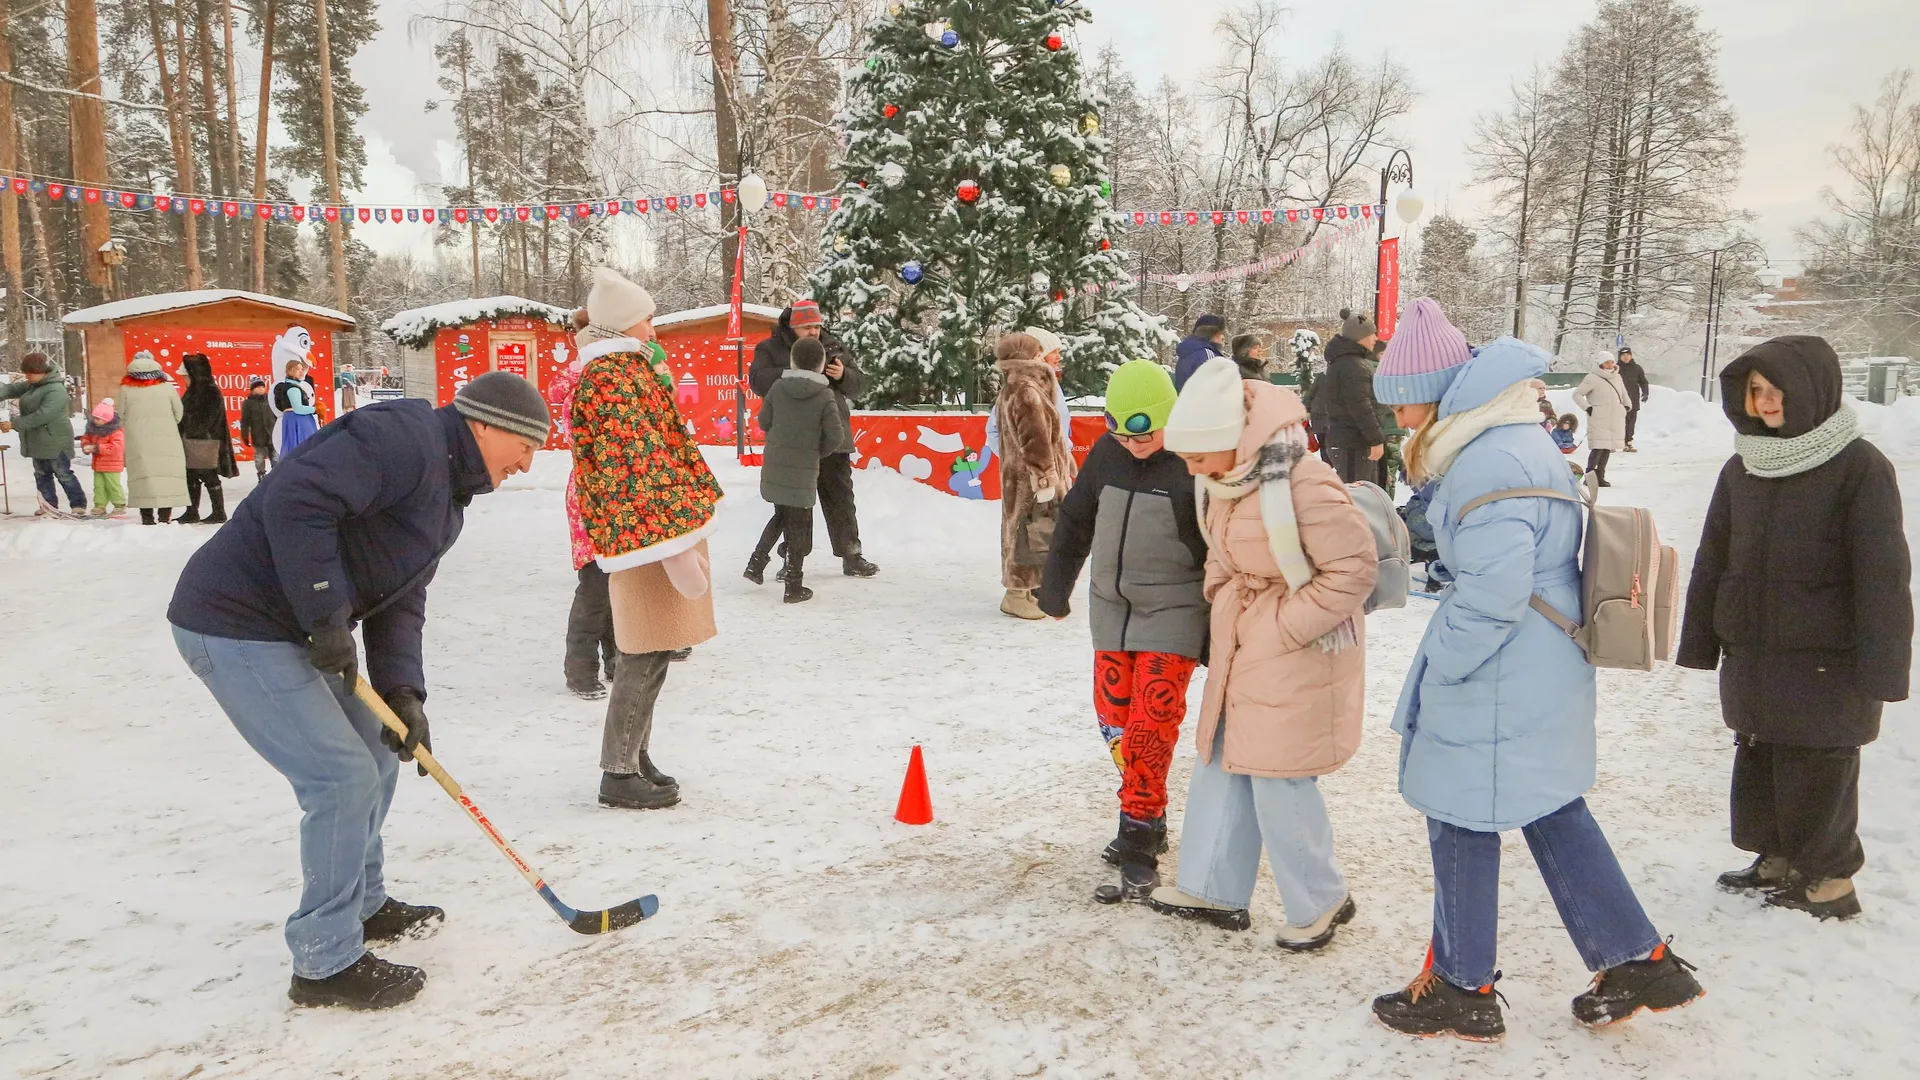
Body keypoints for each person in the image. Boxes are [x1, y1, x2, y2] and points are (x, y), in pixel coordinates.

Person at [1364, 301, 1702, 1042]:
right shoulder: (1505, 438)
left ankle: (1461, 984)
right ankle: (1637, 957)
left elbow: (1492, 592)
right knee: (1548, 807)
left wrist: (1442, 665)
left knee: (1460, 815)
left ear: (1441, 387)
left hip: (1500, 675)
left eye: (1402, 400)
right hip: (1535, 666)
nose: (1396, 418)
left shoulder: (1489, 454)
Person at [167, 371, 548, 1010]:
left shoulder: (447, 499)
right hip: (233, 622)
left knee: (377, 748)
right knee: (339, 778)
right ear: (485, 425)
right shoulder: (404, 436)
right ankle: (323, 961)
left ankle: (362, 905)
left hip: (298, 627)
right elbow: (296, 500)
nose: (529, 462)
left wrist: (404, 692)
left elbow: (401, 599)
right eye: (526, 445)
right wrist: (324, 613)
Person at [1143, 357, 1375, 950]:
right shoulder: (1221, 479)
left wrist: (1282, 626)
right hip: (1246, 637)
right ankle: (1212, 887)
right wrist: (1226, 599)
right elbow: (1221, 554)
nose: (1188, 467)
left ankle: (1322, 901)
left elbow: (1353, 568)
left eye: (1197, 456)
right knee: (1222, 757)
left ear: (1233, 442)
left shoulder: (1303, 479)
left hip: (1299, 647)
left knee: (1279, 776)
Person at [1677, 336, 1912, 921]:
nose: (1766, 401)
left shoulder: (1861, 468)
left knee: (1819, 762)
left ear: (1812, 388)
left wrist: (1884, 667)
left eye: (1776, 389)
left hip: (1827, 656)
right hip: (1756, 649)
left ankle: (1831, 881)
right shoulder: (1744, 465)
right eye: (1755, 391)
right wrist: (1701, 639)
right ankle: (1777, 858)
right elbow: (1714, 556)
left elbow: (1883, 576)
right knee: (1760, 750)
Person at [1035, 360, 1208, 902]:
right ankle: (1148, 811)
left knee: (1149, 727)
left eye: (1145, 432)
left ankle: (1136, 837)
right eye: (1119, 431)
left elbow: (1217, 550)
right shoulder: (1107, 455)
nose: (1133, 444)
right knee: (1114, 719)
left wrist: (1218, 627)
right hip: (1111, 609)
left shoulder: (1192, 461)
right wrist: (1055, 585)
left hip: (1174, 612)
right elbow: (1076, 519)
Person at [572, 267, 725, 811]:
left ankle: (635, 754)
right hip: (647, 534)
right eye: (647, 319)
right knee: (640, 649)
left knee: (655, 648)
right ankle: (619, 770)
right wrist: (676, 545)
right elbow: (640, 465)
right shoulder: (615, 378)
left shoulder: (623, 372)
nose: (654, 330)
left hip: (651, 529)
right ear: (622, 324)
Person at [748, 300, 880, 578]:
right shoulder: (770, 348)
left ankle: (851, 554)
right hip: (794, 441)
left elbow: (860, 384)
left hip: (833, 436)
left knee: (841, 497)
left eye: (817, 326)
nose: (814, 332)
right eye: (808, 327)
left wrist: (843, 375)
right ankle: (792, 560)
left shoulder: (833, 346)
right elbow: (757, 380)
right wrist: (795, 373)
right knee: (794, 504)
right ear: (793, 326)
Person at [550, 309, 620, 700]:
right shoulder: (587, 384)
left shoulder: (589, 380)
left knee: (613, 584)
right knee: (595, 585)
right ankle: (580, 668)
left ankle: (613, 660)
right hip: (593, 495)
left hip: (605, 493)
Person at [747, 337, 844, 603]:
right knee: (798, 524)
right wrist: (817, 451)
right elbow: (836, 436)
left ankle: (756, 563)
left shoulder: (778, 387)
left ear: (792, 361)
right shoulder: (824, 395)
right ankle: (793, 586)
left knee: (781, 514)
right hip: (804, 467)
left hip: (776, 464)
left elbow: (764, 420)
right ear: (822, 364)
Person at [994, 332, 1076, 620]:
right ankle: (1016, 593)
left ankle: (1028, 589)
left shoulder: (1020, 387)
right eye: (1038, 352)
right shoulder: (1025, 390)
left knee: (1033, 529)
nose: (1044, 357)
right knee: (1029, 532)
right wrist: (1043, 478)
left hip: (1023, 476)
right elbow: (1035, 440)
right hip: (1029, 479)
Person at [0, 352, 88, 514]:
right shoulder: (33, 385)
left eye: (30, 374)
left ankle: (78, 504)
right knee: (42, 475)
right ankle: (48, 504)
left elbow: (42, 415)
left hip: (55, 440)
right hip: (37, 441)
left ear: (41, 372)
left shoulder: (55, 390)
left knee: (63, 474)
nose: (27, 377)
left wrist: (15, 424)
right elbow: (11, 389)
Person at [1308, 308, 1386, 486]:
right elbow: (1361, 407)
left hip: (1351, 442)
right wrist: (1376, 440)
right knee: (1359, 500)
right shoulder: (1352, 366)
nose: (1375, 339)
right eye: (1372, 334)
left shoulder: (1347, 362)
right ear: (1360, 336)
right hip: (1353, 445)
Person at [120, 351, 188, 525]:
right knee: (166, 476)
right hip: (167, 439)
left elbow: (120, 414)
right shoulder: (167, 387)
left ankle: (147, 518)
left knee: (144, 476)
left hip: (138, 440)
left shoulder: (126, 389)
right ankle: (165, 517)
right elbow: (179, 413)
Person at [985, 326, 1072, 461]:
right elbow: (993, 431)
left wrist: (1065, 455)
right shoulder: (1020, 387)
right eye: (1054, 351)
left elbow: (1061, 431)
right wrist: (1020, 464)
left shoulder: (1053, 386)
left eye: (1059, 351)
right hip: (1033, 477)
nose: (1058, 356)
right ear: (1040, 356)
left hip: (1057, 470)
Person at [178, 353, 239, 524]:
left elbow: (209, 418)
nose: (184, 379)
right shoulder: (195, 391)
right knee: (191, 476)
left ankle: (219, 512)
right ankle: (192, 512)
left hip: (206, 442)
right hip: (195, 442)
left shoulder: (209, 391)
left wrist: (191, 427)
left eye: (186, 376)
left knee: (208, 475)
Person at [1573, 354, 1631, 487]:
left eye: (1612, 362)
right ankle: (1590, 476)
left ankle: (1600, 476)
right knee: (1598, 448)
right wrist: (1588, 408)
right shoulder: (1592, 378)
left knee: (1607, 448)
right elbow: (1577, 394)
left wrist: (1627, 406)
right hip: (1599, 417)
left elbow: (1623, 393)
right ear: (1600, 363)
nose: (1611, 364)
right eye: (1607, 362)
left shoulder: (1617, 377)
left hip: (1614, 417)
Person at [80, 399, 127, 517]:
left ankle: (119, 504)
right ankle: (99, 505)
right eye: (94, 418)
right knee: (99, 486)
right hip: (98, 464)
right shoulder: (93, 430)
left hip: (112, 464)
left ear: (107, 419)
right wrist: (86, 445)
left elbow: (116, 448)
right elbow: (86, 438)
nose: (95, 421)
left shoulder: (116, 432)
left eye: (98, 419)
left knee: (113, 485)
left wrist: (96, 448)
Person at [274, 359, 321, 455]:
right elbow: (298, 409)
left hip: (292, 420)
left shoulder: (290, 387)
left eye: (302, 369)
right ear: (290, 371)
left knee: (294, 447)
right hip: (299, 421)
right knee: (303, 447)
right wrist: (315, 409)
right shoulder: (293, 388)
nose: (301, 371)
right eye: (297, 369)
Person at [1172, 314, 1227, 391]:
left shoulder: (1188, 352)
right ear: (1209, 334)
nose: (1223, 337)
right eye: (1219, 333)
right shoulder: (1208, 356)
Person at [240, 377, 278, 479]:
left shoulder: (270, 400)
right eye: (258, 387)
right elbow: (245, 420)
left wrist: (279, 431)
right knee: (259, 458)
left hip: (272, 434)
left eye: (262, 387)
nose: (261, 389)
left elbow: (276, 416)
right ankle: (261, 475)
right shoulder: (248, 403)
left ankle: (276, 476)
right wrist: (245, 435)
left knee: (275, 457)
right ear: (252, 389)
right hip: (258, 435)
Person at [1616, 347, 1650, 451]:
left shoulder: (1637, 368)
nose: (1626, 357)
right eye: (1623, 355)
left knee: (1630, 422)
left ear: (1631, 356)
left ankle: (1628, 442)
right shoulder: (1615, 368)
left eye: (1628, 355)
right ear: (1620, 357)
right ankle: (1614, 442)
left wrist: (1645, 393)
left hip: (1632, 399)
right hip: (1618, 400)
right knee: (1617, 422)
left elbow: (1643, 381)